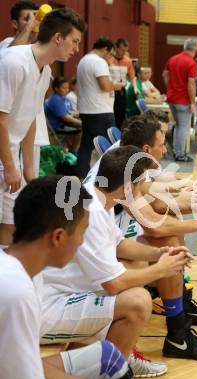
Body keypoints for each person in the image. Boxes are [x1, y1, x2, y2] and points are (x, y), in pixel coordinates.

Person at [39, 146, 197, 378]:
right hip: (49, 306)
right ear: (127, 187)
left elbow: (119, 244)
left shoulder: (97, 198)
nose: (142, 191)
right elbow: (114, 284)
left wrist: (160, 255)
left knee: (141, 269)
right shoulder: (93, 212)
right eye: (140, 184)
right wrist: (161, 268)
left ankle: (121, 359)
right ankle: (115, 368)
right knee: (137, 302)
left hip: (64, 291)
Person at [85, 112, 197, 327]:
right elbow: (153, 223)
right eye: (162, 144)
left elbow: (148, 194)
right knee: (165, 237)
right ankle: (177, 324)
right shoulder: (123, 173)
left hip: (108, 245)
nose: (166, 149)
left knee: (167, 238)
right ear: (147, 149)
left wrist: (177, 188)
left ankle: (174, 299)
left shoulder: (126, 160)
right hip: (81, 282)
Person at [0, 175, 133, 379]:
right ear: (58, 236)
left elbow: (29, 366)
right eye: (82, 233)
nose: (82, 242)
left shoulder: (24, 273)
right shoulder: (17, 292)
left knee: (109, 357)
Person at [0, 7, 86, 248]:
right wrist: (9, 166)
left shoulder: (45, 70)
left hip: (12, 153)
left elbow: (28, 119)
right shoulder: (14, 61)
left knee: (11, 222)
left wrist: (28, 170)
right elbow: (0, 118)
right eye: (74, 41)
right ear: (58, 38)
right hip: (4, 153)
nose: (76, 49)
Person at [0, 1, 51, 187]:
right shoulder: (8, 47)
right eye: (26, 18)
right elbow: (11, 54)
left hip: (31, 128)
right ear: (15, 24)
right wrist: (30, 27)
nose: (34, 21)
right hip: (9, 134)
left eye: (36, 17)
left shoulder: (42, 54)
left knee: (27, 185)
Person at [76, 36, 125, 177]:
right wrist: (118, 85)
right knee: (109, 147)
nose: (110, 57)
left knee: (86, 144)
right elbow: (105, 86)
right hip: (100, 111)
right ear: (105, 49)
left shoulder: (83, 60)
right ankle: (109, 177)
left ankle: (82, 173)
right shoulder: (98, 62)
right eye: (110, 53)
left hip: (87, 110)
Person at [163, 39, 197, 162]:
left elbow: (165, 74)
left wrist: (170, 88)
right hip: (183, 100)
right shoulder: (191, 63)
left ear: (184, 47)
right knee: (184, 127)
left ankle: (177, 152)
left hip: (172, 98)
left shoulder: (172, 59)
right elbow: (191, 84)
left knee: (178, 125)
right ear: (195, 49)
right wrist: (193, 102)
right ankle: (180, 154)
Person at [108, 38, 138, 128]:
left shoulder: (128, 61)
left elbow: (132, 77)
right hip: (110, 91)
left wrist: (135, 87)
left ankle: (118, 137)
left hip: (121, 92)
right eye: (122, 50)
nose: (124, 52)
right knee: (110, 115)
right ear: (116, 48)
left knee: (120, 117)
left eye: (126, 50)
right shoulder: (108, 59)